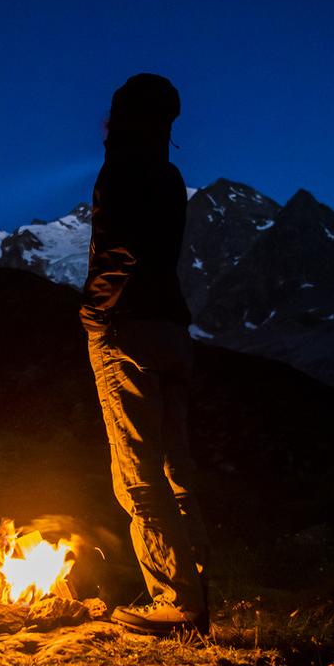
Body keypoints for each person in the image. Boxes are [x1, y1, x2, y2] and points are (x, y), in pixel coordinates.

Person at [81, 73, 210, 635]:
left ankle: (174, 602)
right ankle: (198, 595)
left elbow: (119, 252)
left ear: (119, 117)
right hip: (173, 331)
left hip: (127, 327)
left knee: (138, 474)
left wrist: (94, 310)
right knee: (176, 469)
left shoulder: (119, 171)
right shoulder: (170, 174)